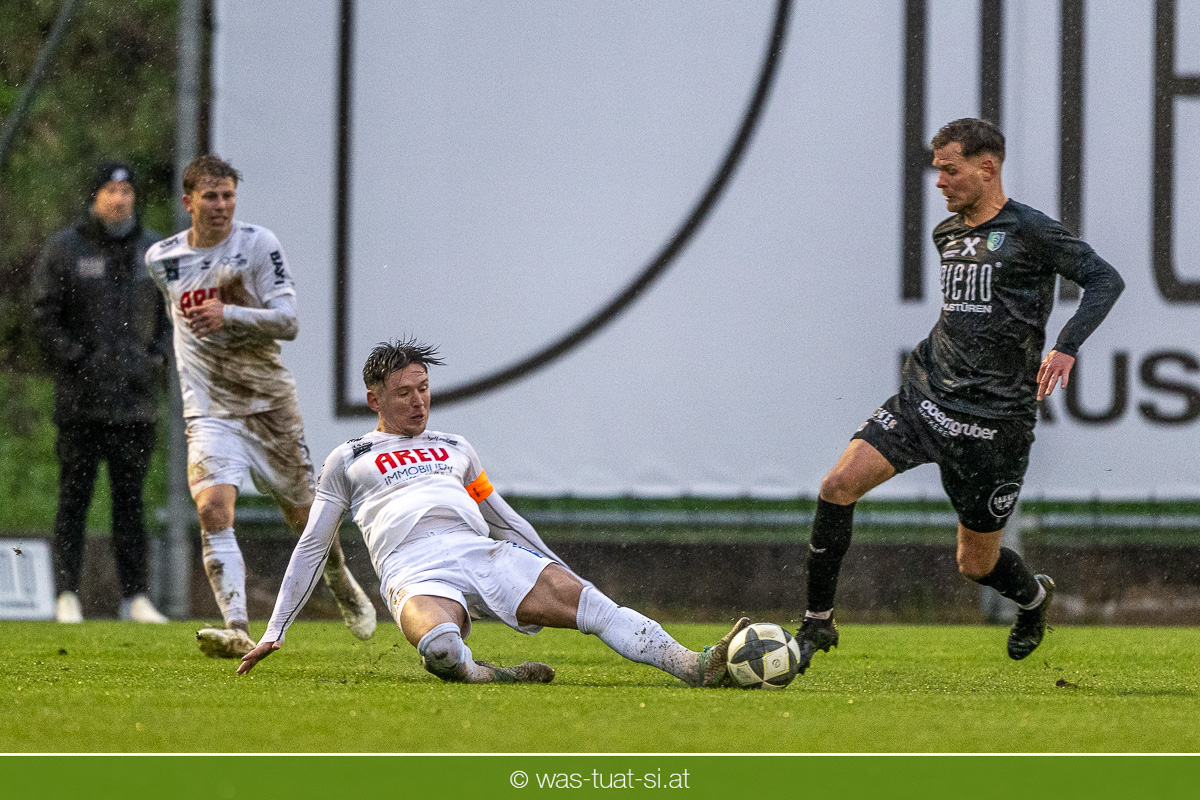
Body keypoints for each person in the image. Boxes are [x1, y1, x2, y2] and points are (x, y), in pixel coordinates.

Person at [795, 118, 1125, 672]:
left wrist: (1066, 346)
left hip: (995, 421)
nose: (940, 181)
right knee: (837, 485)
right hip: (926, 398)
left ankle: (1032, 600)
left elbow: (1105, 279)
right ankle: (816, 622)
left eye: (950, 170)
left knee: (975, 564)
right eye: (937, 171)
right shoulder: (947, 233)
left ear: (986, 167)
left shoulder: (1031, 231)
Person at [237, 338, 748, 686]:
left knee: (592, 605)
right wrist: (275, 630)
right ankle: (487, 674)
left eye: (423, 389)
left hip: (479, 550)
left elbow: (504, 520)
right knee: (440, 648)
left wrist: (555, 567)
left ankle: (694, 665)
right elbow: (313, 543)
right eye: (403, 393)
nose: (418, 402)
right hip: (411, 569)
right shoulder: (348, 458)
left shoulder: (456, 447)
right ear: (374, 399)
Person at [145, 154, 375, 657]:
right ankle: (237, 628)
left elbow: (288, 321)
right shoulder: (162, 259)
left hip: (267, 403)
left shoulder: (257, 245)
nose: (221, 205)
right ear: (188, 202)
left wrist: (228, 312)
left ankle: (339, 577)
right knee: (212, 509)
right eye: (210, 196)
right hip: (209, 407)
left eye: (228, 195)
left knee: (303, 518)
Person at [31, 160, 171, 625]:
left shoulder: (154, 250)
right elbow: (43, 317)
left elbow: (173, 317)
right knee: (74, 499)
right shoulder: (66, 249)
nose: (119, 199)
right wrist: (79, 360)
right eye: (110, 190)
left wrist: (154, 360)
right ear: (95, 197)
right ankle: (67, 594)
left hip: (135, 404)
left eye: (126, 191)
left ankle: (136, 597)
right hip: (81, 403)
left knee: (131, 503)